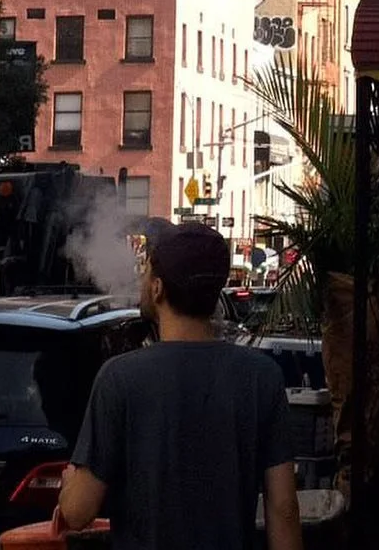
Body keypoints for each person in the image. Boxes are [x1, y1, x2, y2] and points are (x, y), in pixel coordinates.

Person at [58, 222, 301, 550]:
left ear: (158, 288)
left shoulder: (119, 379)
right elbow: (284, 509)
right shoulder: (262, 376)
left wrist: (69, 484)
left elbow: (77, 512)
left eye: (146, 272)